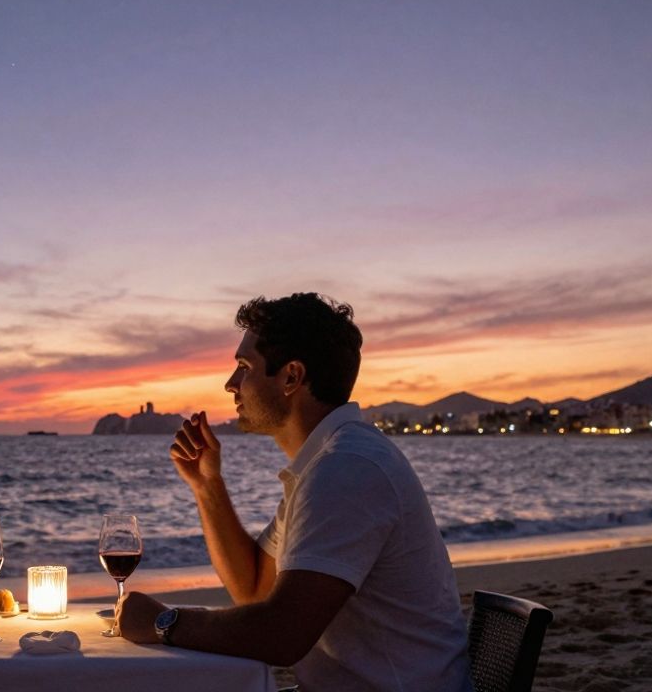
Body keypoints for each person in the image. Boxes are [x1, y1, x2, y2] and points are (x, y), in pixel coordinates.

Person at [118, 294, 471, 692]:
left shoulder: (348, 468)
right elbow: (253, 591)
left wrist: (163, 622)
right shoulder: (326, 463)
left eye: (244, 367)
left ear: (291, 377)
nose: (230, 384)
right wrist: (207, 487)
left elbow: (281, 635)